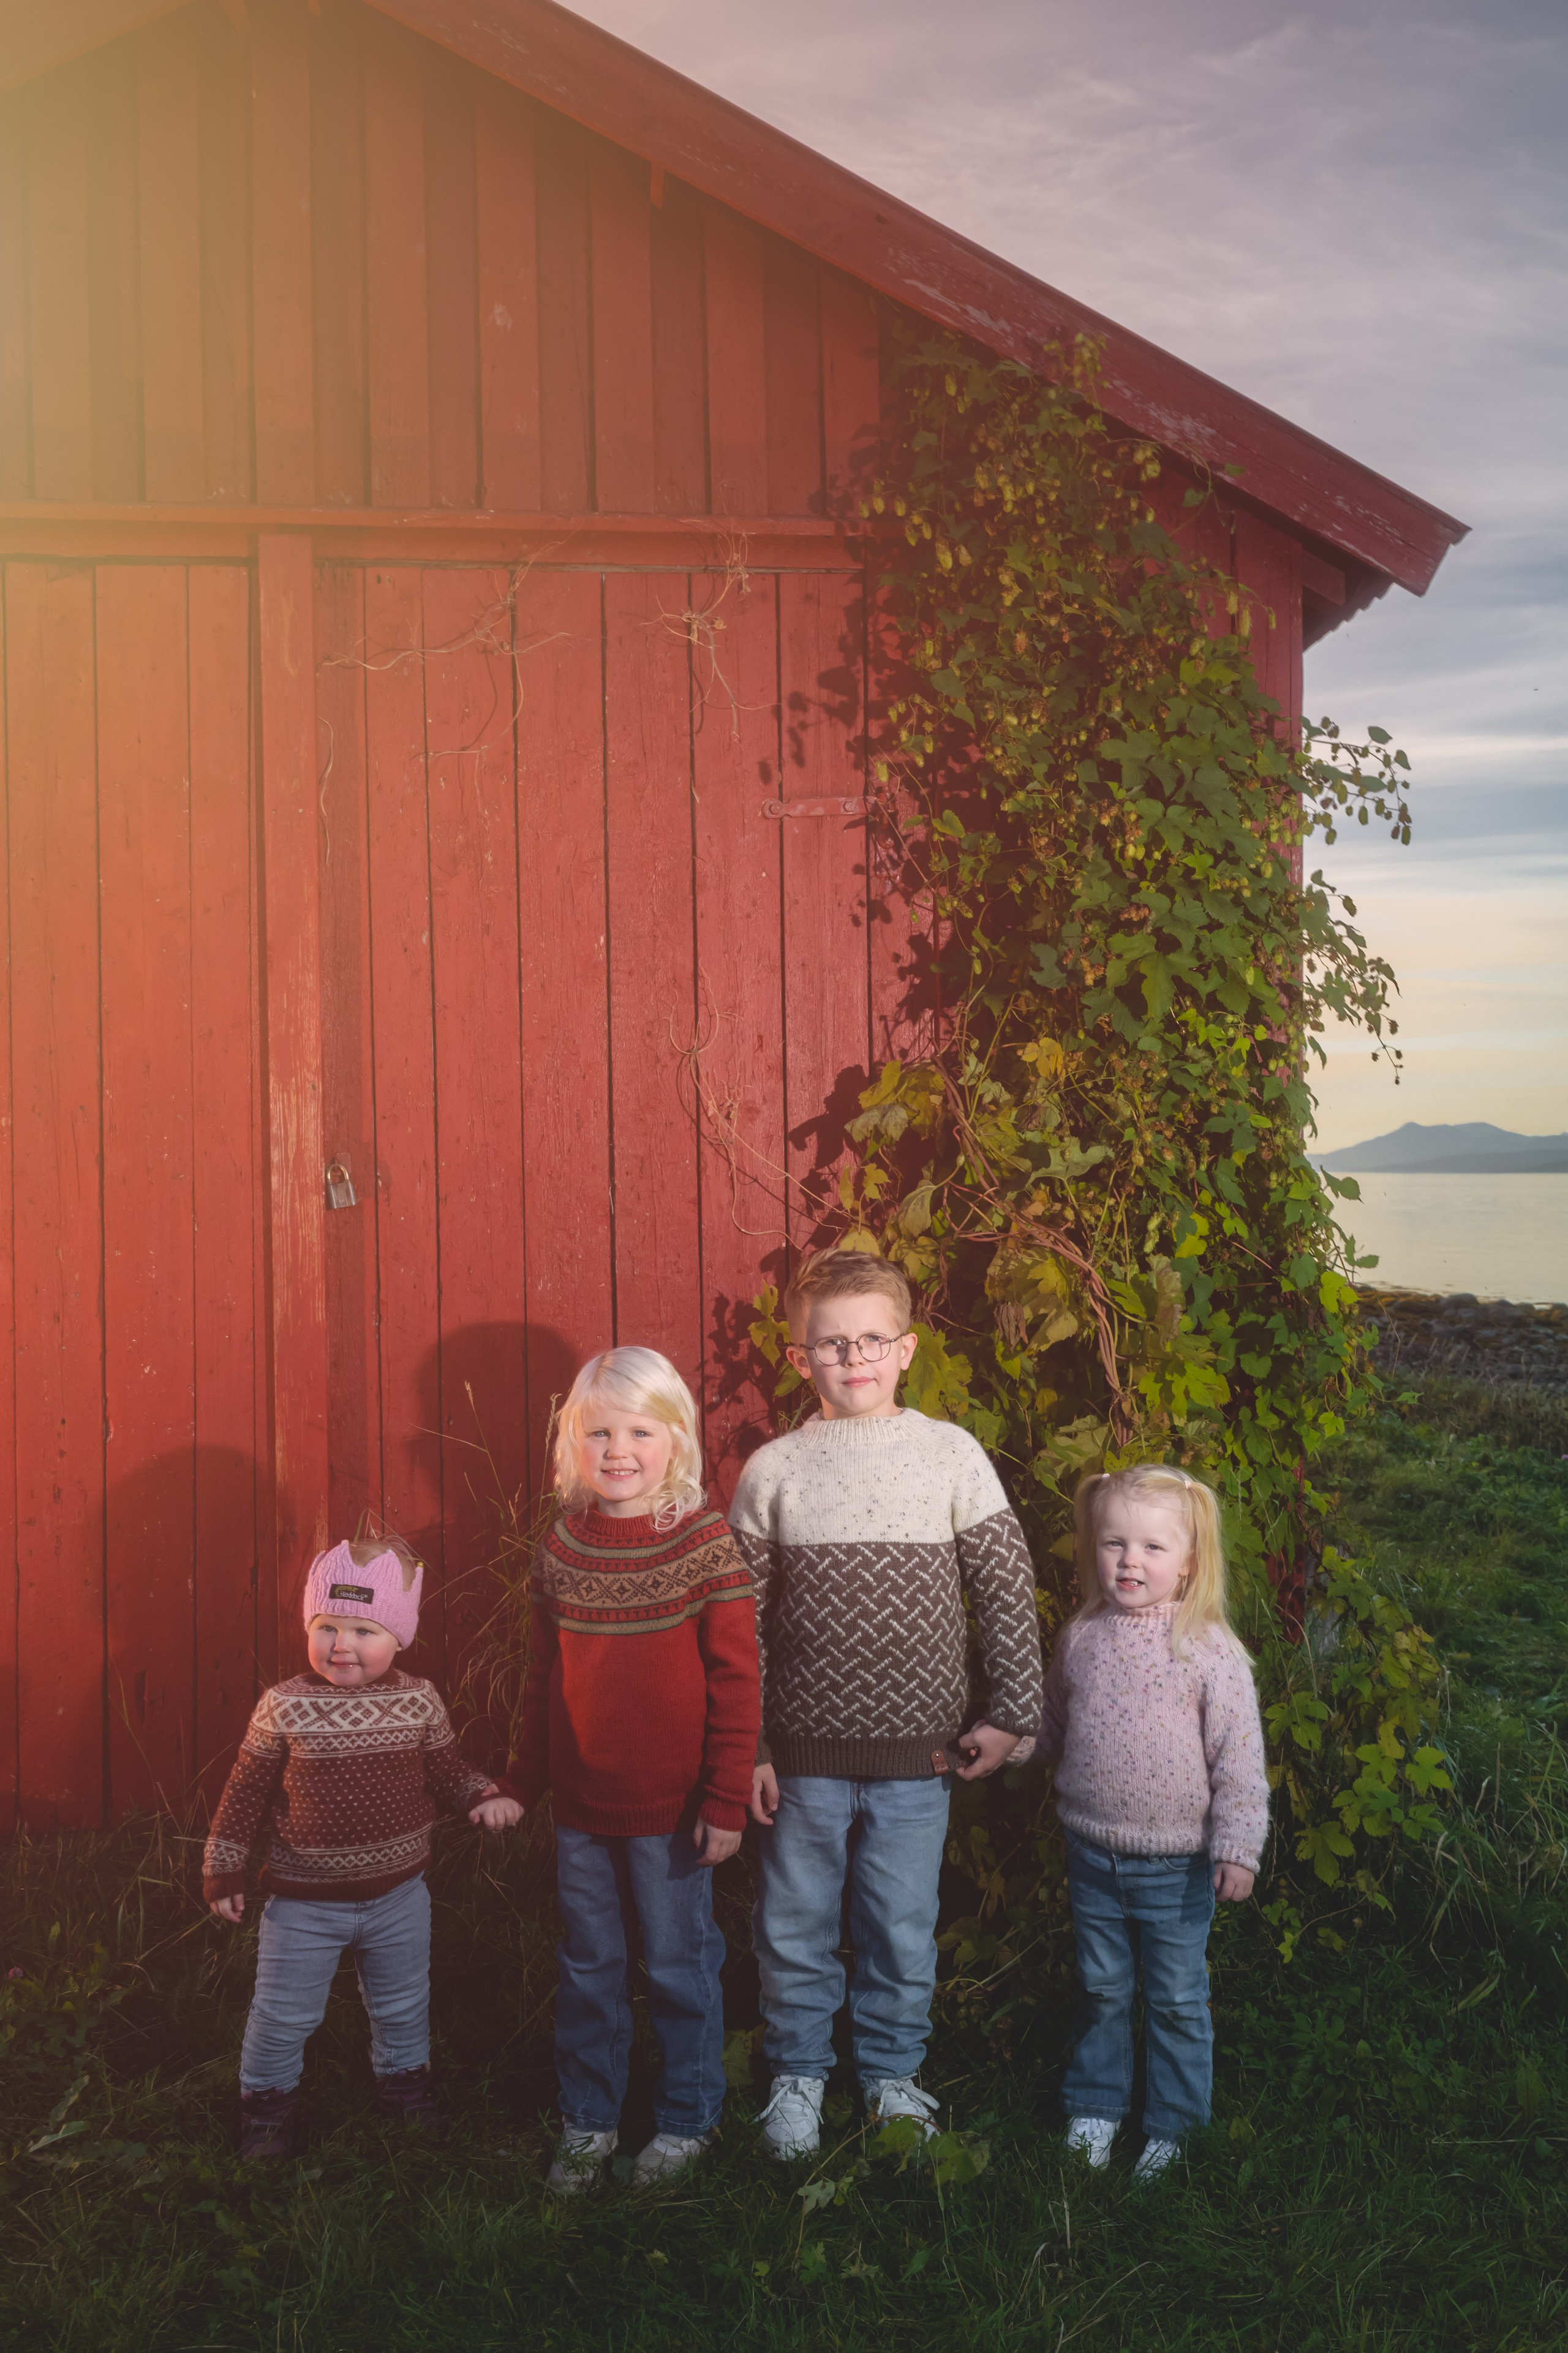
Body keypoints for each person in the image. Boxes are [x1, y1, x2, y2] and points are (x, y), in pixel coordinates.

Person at [729, 1247, 1044, 2160]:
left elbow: (1006, 1583)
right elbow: (737, 1620)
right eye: (832, 1344)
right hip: (801, 1758)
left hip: (926, 1757)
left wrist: (1013, 1707)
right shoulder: (775, 1468)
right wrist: (747, 1744)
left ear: (907, 1349)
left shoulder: (949, 1454)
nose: (854, 1357)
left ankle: (891, 2077)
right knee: (793, 1924)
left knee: (901, 1925)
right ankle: (796, 2075)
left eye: (872, 1339)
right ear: (799, 1359)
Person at [499, 1346, 760, 2196]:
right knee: (590, 1968)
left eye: (640, 1432)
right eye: (598, 1432)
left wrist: (725, 1799)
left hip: (677, 1813)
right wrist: (519, 1782)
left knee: (681, 1965)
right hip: (581, 1809)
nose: (619, 1450)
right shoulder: (565, 1546)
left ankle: (688, 2118)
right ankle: (589, 2120)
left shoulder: (701, 1543)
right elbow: (545, 1680)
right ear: (571, 1443)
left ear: (676, 1441)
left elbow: (736, 1679)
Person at [204, 1537, 521, 2160]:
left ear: (399, 1635)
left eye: (363, 1628)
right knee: (283, 2013)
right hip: (302, 1903)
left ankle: (404, 2091)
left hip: (400, 1895)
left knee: (403, 2003)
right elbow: (244, 1790)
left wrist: (482, 1794)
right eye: (326, 1626)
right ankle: (265, 2111)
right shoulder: (285, 1705)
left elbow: (446, 1769)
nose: (340, 1644)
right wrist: (224, 1866)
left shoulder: (419, 1699)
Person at [1040, 1464, 1269, 2183]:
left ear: (1190, 1561)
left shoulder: (1208, 1649)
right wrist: (1010, 1744)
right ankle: (1096, 2107)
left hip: (1176, 1865)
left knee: (1174, 1997)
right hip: (1091, 1852)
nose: (1129, 1561)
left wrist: (1238, 1846)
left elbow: (1239, 1759)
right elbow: (1051, 1723)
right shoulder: (1081, 1635)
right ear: (1092, 1548)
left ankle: (1173, 2125)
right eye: (1113, 1543)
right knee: (1101, 1987)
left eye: (1152, 1548)